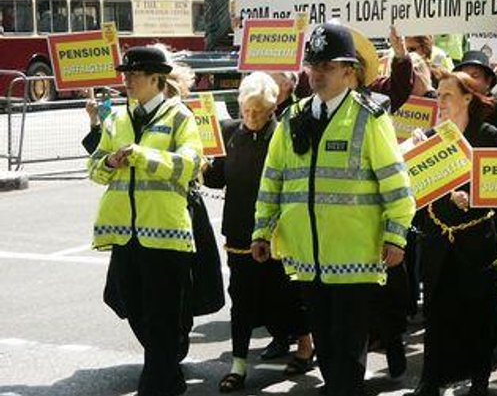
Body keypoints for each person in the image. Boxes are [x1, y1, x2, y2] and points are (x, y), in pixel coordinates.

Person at [251, 23, 415, 396]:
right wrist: (261, 230)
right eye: (313, 65)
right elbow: (272, 180)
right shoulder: (292, 118)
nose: (318, 73)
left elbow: (396, 183)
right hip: (307, 256)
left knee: (349, 347)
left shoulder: (369, 117)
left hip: (355, 256)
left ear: (349, 70)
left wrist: (396, 235)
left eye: (327, 65)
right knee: (326, 344)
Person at [87, 46, 204, 396]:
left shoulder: (180, 117)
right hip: (125, 235)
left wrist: (143, 157)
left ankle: (157, 384)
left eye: (135, 74)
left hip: (166, 235)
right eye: (126, 74)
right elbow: (93, 168)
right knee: (135, 308)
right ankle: (168, 370)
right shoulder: (117, 120)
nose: (127, 80)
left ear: (156, 79)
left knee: (162, 316)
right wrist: (109, 163)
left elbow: (190, 164)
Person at [204, 73, 312, 392]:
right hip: (239, 231)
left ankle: (305, 342)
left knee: (284, 297)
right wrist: (203, 167)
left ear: (271, 109)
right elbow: (218, 179)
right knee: (241, 298)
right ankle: (238, 363)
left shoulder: (284, 136)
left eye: (258, 111)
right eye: (246, 110)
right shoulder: (228, 133)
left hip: (277, 232)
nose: (251, 117)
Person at [412, 71, 497, 396]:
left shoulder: (488, 135)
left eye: (447, 95)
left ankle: (479, 380)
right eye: (438, 95)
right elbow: (415, 192)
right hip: (438, 241)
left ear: (468, 97)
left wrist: (474, 198)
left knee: (476, 314)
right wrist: (411, 155)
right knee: (437, 314)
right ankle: (430, 379)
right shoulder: (429, 137)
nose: (440, 102)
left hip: (475, 243)